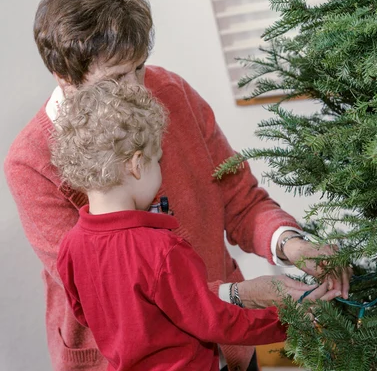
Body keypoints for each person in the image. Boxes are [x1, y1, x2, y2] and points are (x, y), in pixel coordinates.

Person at [4, 0, 350, 371]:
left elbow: (241, 199)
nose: (137, 89)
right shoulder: (30, 162)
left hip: (229, 345)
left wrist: (292, 245)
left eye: (139, 67)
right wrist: (241, 297)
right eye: (116, 78)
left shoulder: (173, 92)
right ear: (64, 75)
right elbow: (116, 296)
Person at [51, 80, 288, 371]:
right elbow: (215, 321)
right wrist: (287, 321)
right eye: (158, 160)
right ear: (137, 165)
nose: (161, 171)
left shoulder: (70, 247)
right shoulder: (162, 250)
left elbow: (84, 313)